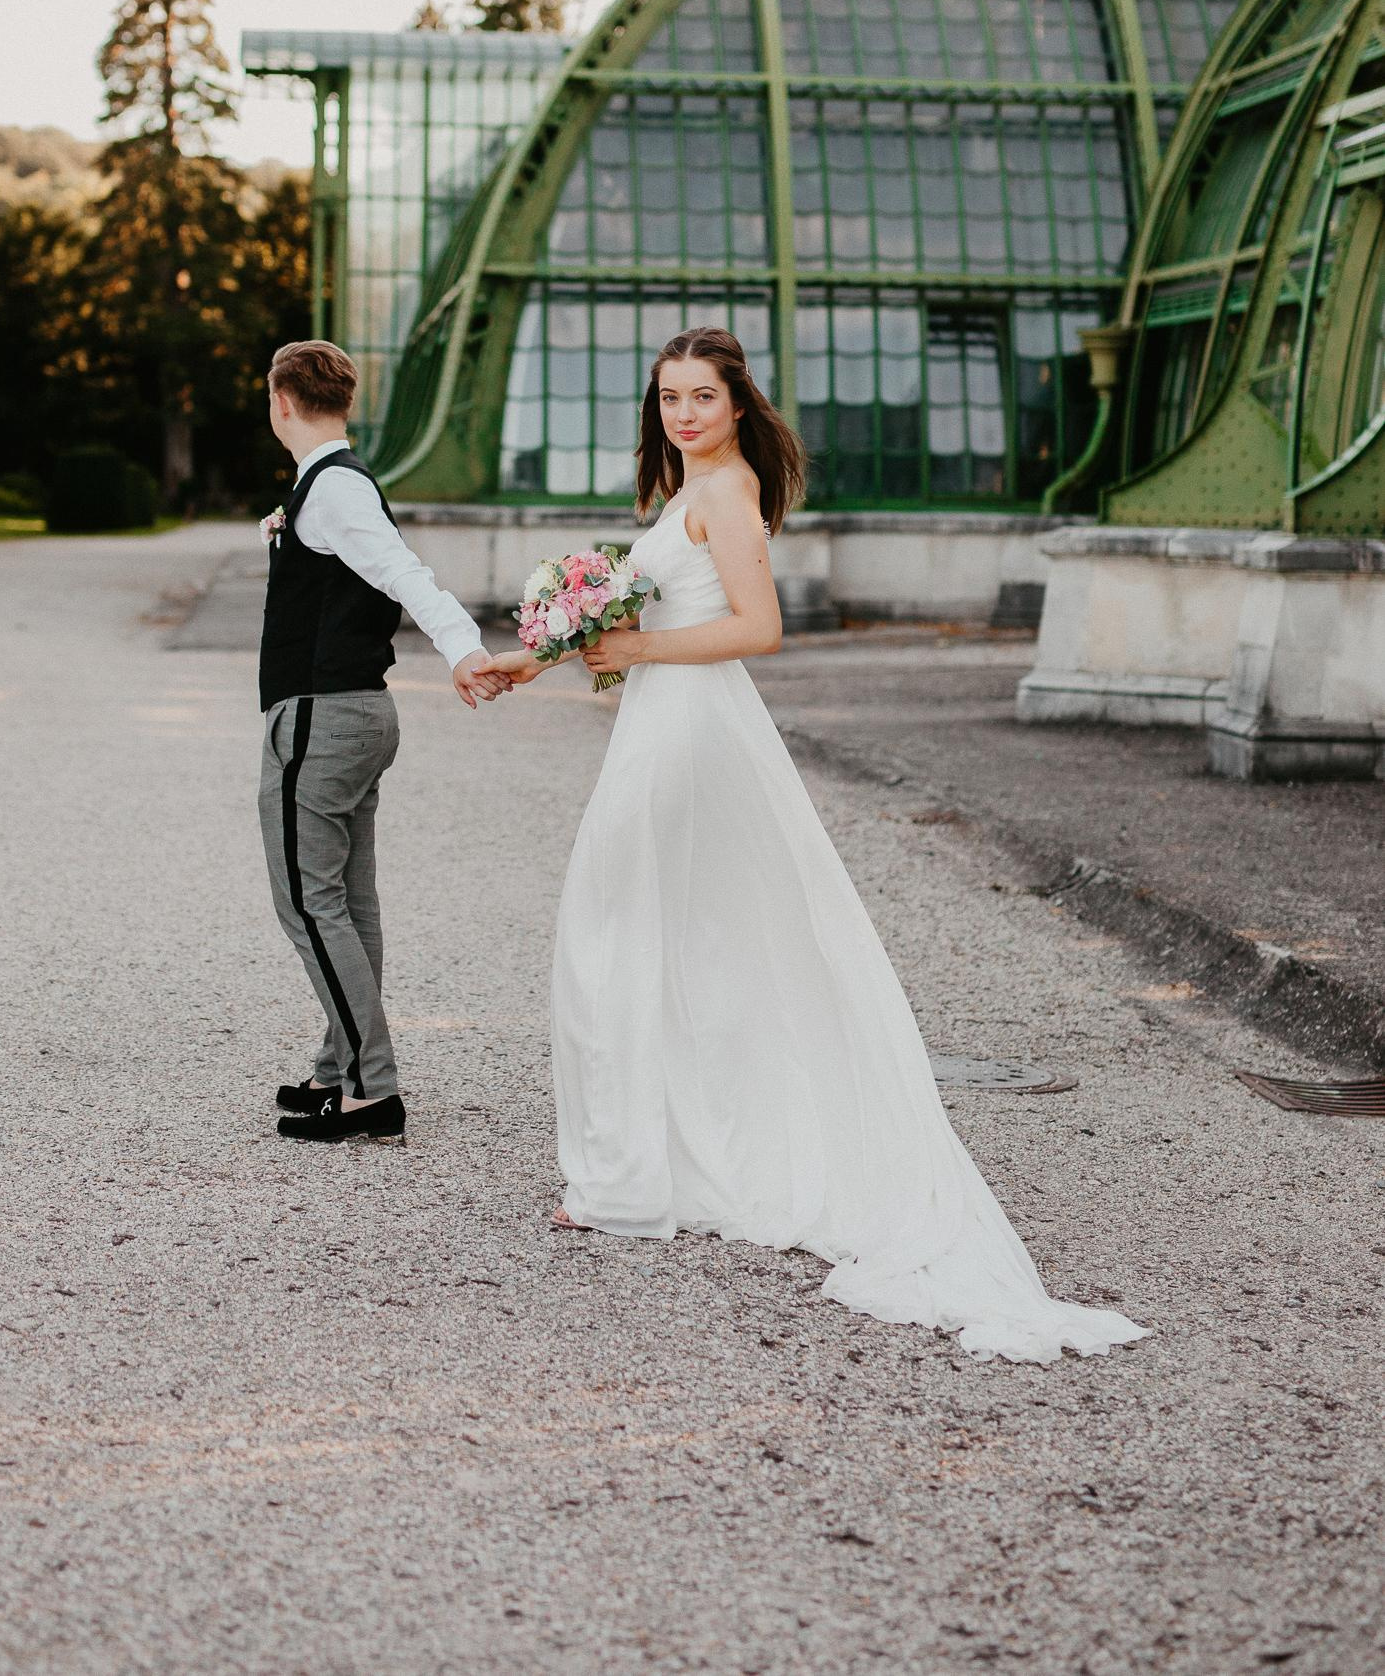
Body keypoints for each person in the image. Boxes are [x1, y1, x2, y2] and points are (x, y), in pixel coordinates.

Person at [487, 327, 1148, 1365]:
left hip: (695, 723)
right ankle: (654, 1166)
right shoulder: (687, 490)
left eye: (701, 396)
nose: (683, 414)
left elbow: (759, 628)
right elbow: (641, 616)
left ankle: (625, 1184)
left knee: (609, 925)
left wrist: (635, 647)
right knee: (675, 936)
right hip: (665, 714)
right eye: (668, 398)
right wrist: (526, 662)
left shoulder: (725, 490)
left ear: (737, 404)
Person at [258, 338, 505, 1147]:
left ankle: (371, 1090)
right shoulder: (327, 487)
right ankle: (339, 1070)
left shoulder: (332, 492)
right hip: (358, 713)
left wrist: (464, 648)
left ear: (280, 403)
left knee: (306, 899)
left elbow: (405, 574)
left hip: (323, 719)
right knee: (346, 903)